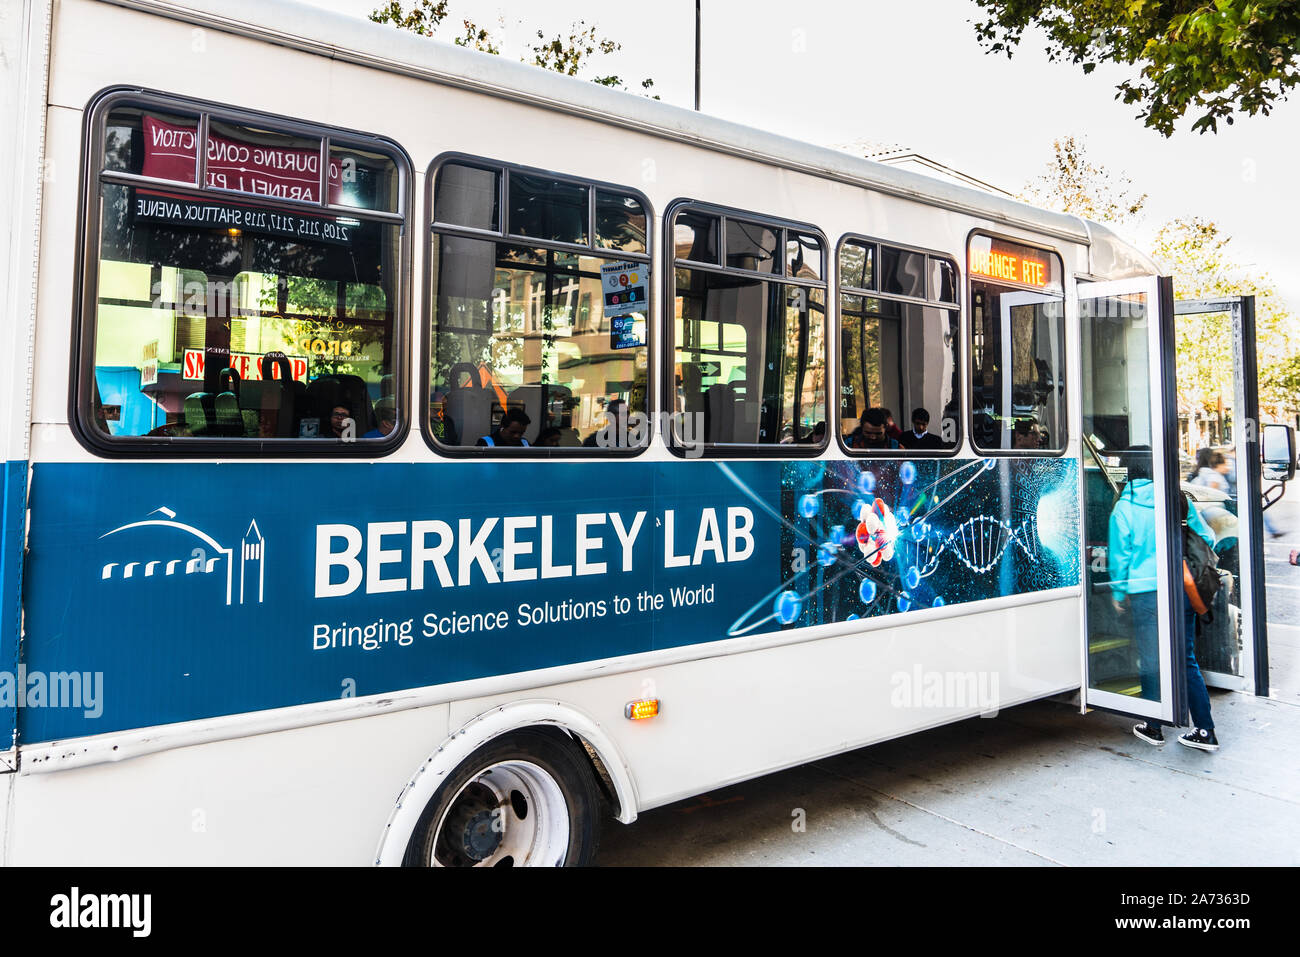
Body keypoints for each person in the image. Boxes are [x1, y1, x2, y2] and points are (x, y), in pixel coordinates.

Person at [1110, 448, 1221, 751]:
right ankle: (1204, 730)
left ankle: (1154, 725)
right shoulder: (1177, 499)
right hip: (1181, 590)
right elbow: (1207, 538)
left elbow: (1120, 558)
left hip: (1145, 592)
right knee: (1184, 658)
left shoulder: (1124, 508)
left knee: (1151, 659)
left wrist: (1119, 594)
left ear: (1129, 470)